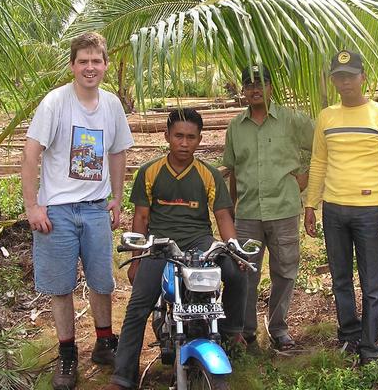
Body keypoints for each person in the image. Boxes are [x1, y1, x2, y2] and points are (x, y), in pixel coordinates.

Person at [22, 32, 134, 390]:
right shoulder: (55, 103)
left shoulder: (112, 105)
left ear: (105, 65)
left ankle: (104, 342)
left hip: (96, 209)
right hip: (58, 212)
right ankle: (67, 354)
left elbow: (117, 152)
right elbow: (30, 154)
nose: (90, 67)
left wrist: (117, 197)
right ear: (72, 65)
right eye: (83, 61)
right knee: (61, 287)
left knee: (103, 281)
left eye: (96, 61)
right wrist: (32, 206)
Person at [107, 108, 247, 390]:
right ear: (167, 136)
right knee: (137, 307)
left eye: (191, 137)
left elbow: (222, 216)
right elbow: (142, 218)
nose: (184, 143)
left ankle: (232, 331)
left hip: (199, 241)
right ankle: (123, 377)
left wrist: (234, 248)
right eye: (178, 136)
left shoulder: (208, 174)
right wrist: (137, 260)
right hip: (160, 244)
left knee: (235, 272)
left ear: (199, 139)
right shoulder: (150, 171)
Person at [303, 50, 378, 365]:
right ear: (333, 80)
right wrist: (310, 204)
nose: (345, 82)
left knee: (372, 283)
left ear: (363, 78)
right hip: (333, 211)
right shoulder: (327, 117)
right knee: (340, 279)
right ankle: (349, 336)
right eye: (339, 76)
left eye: (350, 75)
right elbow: (318, 161)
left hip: (368, 210)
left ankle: (370, 346)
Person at [222, 66, 314, 350]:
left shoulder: (292, 120)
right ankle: (246, 330)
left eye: (261, 83)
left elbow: (320, 147)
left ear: (271, 87)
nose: (255, 89)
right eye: (249, 84)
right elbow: (234, 170)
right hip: (248, 212)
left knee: (284, 271)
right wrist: (233, 207)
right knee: (244, 272)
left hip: (284, 208)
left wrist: (304, 176)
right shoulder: (236, 127)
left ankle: (278, 328)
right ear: (244, 90)